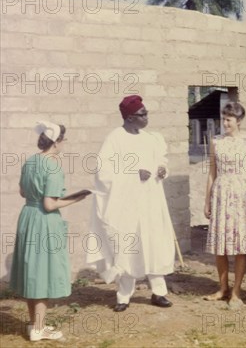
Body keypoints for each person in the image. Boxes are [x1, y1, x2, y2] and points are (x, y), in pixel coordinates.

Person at [87, 95, 175, 312]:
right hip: (126, 203)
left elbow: (161, 158)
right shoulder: (115, 139)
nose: (147, 118)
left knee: (153, 242)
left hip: (151, 200)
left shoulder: (151, 138)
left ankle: (159, 292)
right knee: (128, 246)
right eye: (142, 114)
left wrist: (162, 168)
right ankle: (124, 296)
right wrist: (132, 173)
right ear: (129, 118)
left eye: (146, 113)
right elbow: (103, 171)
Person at [10, 121, 89, 341]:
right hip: (44, 221)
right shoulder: (53, 166)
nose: (64, 143)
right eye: (63, 139)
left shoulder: (31, 161)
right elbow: (49, 205)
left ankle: (34, 324)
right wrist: (76, 198)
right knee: (42, 274)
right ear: (56, 142)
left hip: (28, 217)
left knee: (31, 272)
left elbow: (23, 192)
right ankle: (39, 329)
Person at [204, 102, 246, 309]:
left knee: (240, 245)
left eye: (229, 119)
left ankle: (236, 292)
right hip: (221, 193)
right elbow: (212, 172)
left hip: (241, 195)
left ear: (238, 121)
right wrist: (207, 200)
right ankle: (223, 288)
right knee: (220, 244)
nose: (225, 123)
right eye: (224, 119)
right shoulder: (216, 141)